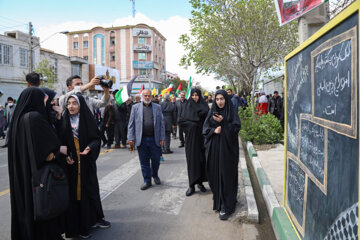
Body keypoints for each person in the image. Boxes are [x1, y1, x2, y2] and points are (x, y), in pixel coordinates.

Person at [8, 87, 68, 240]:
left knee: (27, 209)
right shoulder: (35, 118)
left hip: (23, 175)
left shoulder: (19, 119)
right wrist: (60, 150)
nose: (46, 102)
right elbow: (49, 151)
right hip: (39, 177)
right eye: (44, 99)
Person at [60, 94, 110, 239]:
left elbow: (96, 139)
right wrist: (67, 155)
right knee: (73, 195)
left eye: (74, 103)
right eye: (69, 103)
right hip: (70, 165)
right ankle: (74, 227)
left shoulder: (87, 119)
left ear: (80, 105)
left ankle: (91, 221)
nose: (71, 106)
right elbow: (59, 141)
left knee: (89, 191)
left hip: (86, 163)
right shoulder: (63, 120)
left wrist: (89, 148)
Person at [203, 89, 241, 220]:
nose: (219, 102)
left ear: (226, 99)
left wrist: (224, 123)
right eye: (217, 99)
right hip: (214, 151)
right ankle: (219, 201)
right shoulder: (211, 112)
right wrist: (214, 130)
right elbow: (205, 129)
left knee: (227, 176)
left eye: (222, 99)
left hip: (228, 152)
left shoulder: (231, 111)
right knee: (215, 175)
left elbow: (236, 129)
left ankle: (226, 205)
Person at [128, 89, 165, 190]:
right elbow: (131, 124)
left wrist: (162, 137)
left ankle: (155, 175)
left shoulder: (157, 107)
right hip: (141, 140)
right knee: (144, 161)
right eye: (145, 96)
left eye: (149, 96)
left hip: (155, 139)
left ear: (152, 97)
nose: (147, 98)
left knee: (156, 160)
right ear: (142, 96)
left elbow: (161, 124)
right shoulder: (135, 107)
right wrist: (131, 138)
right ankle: (147, 181)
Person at [180, 88, 209, 196]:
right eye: (193, 95)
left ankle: (200, 183)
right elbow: (181, 121)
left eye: (196, 95)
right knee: (192, 161)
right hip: (191, 139)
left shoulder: (204, 105)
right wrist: (191, 126)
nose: (195, 97)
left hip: (202, 138)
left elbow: (208, 120)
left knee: (202, 161)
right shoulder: (187, 106)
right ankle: (191, 185)